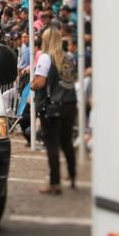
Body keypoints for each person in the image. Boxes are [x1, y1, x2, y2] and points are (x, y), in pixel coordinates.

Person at [31, 27, 77, 195]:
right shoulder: (68, 58)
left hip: (53, 107)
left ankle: (55, 182)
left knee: (52, 144)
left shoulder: (45, 58)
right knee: (66, 142)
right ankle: (72, 176)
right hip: (70, 104)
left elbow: (40, 82)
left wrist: (32, 84)